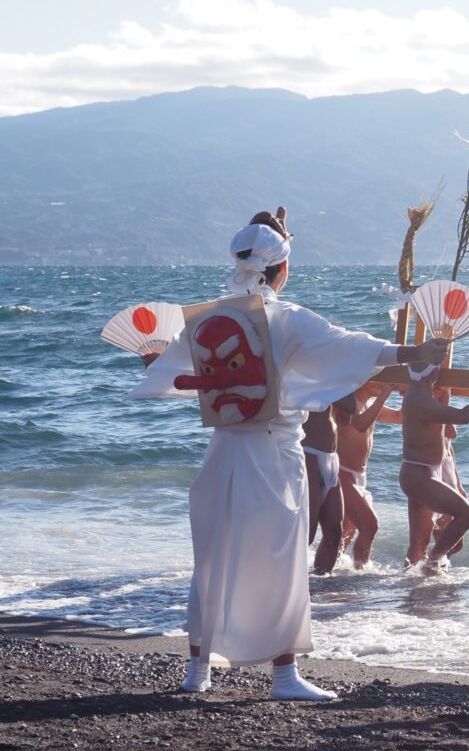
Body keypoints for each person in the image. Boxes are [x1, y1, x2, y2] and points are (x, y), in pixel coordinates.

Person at [129, 207, 450, 700]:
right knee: (279, 560)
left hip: (222, 452)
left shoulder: (211, 317)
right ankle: (283, 676)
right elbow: (352, 346)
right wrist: (415, 353)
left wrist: (158, 360)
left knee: (213, 558)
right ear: (282, 269)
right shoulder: (287, 318)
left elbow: (166, 373)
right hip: (275, 453)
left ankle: (198, 672)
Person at [400, 361, 469, 573]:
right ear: (433, 373)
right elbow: (464, 417)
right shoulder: (420, 400)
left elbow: (447, 430)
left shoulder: (420, 396)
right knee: (467, 514)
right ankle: (434, 561)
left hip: (422, 472)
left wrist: (445, 394)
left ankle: (410, 584)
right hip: (419, 475)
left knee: (419, 542)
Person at [335, 380, 398, 568]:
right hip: (341, 472)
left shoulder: (370, 404)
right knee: (369, 525)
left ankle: (331, 571)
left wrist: (436, 396)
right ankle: (360, 573)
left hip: (358, 476)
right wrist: (383, 396)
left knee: (347, 530)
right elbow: (360, 424)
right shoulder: (346, 402)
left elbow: (400, 416)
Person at [303, 405, 345, 575]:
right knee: (307, 534)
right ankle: (283, 585)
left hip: (331, 458)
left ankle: (319, 584)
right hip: (309, 454)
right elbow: (349, 404)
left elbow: (348, 414)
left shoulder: (334, 380)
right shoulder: (317, 378)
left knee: (334, 532)